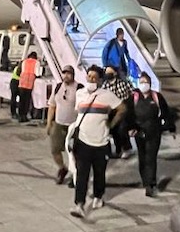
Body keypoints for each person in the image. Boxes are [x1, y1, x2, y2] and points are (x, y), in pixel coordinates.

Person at [66, 65, 124, 220]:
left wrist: (111, 124)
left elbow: (122, 108)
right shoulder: (80, 94)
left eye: (94, 77)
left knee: (99, 174)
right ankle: (79, 204)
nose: (90, 79)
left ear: (99, 80)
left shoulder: (107, 95)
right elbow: (79, 113)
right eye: (89, 76)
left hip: (101, 142)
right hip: (83, 141)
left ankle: (98, 196)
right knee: (82, 174)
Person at [130, 72, 175, 196]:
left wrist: (171, 128)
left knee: (151, 158)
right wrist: (130, 128)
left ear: (150, 84)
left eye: (146, 82)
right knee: (142, 158)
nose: (144, 84)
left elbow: (166, 112)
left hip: (154, 132)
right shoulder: (134, 97)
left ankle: (151, 184)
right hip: (139, 132)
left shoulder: (157, 97)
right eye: (142, 82)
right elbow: (128, 114)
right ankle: (145, 180)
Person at [45, 65, 79, 184]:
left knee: (74, 152)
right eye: (64, 73)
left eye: (68, 73)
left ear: (73, 75)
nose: (66, 75)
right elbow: (52, 105)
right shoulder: (58, 87)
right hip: (59, 124)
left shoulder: (79, 88)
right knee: (55, 149)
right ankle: (62, 168)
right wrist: (49, 123)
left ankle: (75, 174)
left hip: (73, 126)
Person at [103, 65, 135, 157]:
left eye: (109, 72)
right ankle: (118, 149)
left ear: (115, 73)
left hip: (124, 109)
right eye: (106, 72)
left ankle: (127, 148)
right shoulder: (105, 85)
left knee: (122, 129)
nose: (107, 74)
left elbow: (132, 92)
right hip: (112, 110)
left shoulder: (123, 82)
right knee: (114, 130)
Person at [16, 50, 39, 124]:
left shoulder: (24, 61)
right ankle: (24, 116)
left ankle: (20, 116)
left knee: (21, 100)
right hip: (29, 83)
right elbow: (37, 73)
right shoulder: (36, 62)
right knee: (27, 101)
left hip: (22, 82)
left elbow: (21, 71)